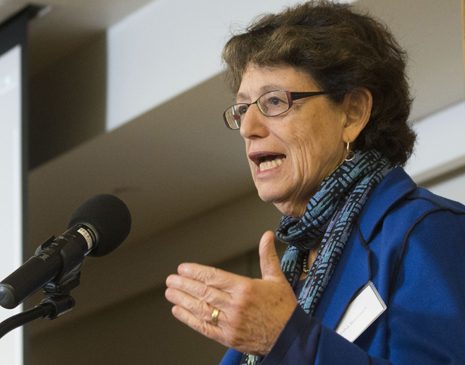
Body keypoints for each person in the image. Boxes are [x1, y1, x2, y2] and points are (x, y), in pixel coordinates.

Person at [165, 1, 465, 364]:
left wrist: (290, 341)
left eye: (274, 101)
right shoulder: (291, 271)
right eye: (243, 109)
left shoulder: (429, 232)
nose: (248, 128)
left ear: (353, 113)